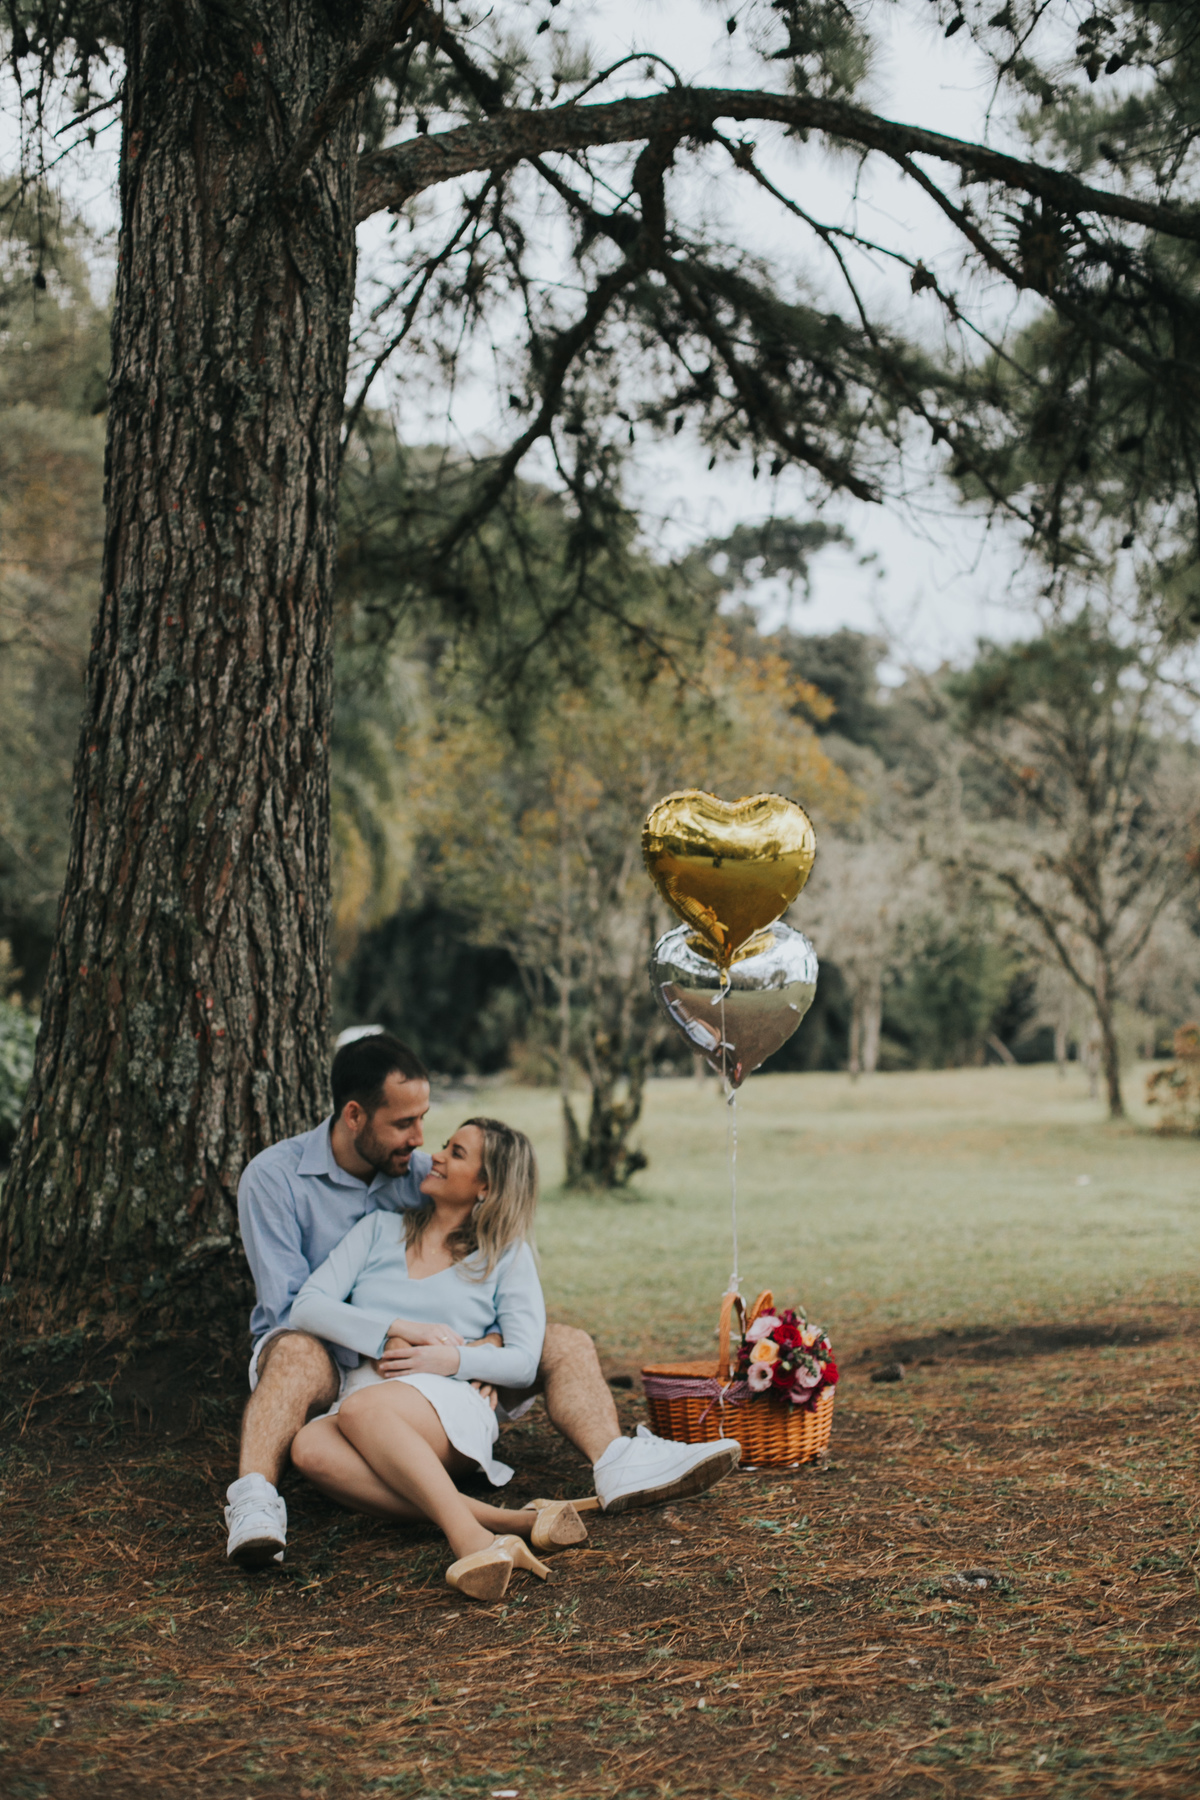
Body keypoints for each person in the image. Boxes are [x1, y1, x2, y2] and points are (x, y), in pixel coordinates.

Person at [225, 1033, 739, 1567]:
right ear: (354, 1116)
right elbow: (295, 1312)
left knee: (563, 1342)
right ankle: (260, 1498)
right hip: (330, 1358)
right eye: (405, 1124)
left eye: (431, 1127)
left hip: (429, 1383)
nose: (424, 1146)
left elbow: (507, 1319)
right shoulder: (281, 1181)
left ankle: (616, 1462)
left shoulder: (421, 1179)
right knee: (308, 1417)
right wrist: (393, 1337)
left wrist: (471, 1354)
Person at [290, 1116, 585, 1600]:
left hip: (449, 1403)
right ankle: (513, 1522)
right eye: (446, 1145)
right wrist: (394, 1330)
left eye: (457, 1153)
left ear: (486, 1186)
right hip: (368, 1394)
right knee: (309, 1448)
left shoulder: (504, 1254)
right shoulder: (378, 1229)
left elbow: (522, 1361)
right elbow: (307, 1306)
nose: (437, 1156)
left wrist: (451, 1359)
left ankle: (470, 1539)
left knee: (363, 1410)